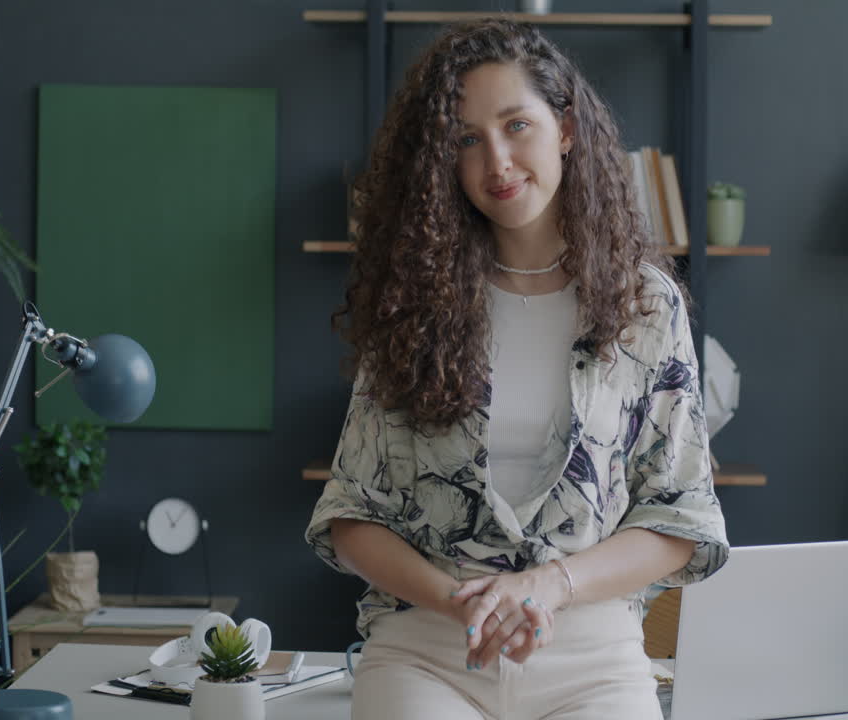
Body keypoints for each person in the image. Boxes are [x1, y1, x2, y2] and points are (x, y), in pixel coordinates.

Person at [305, 17, 728, 720]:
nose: (495, 162)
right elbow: (352, 516)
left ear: (565, 127)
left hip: (592, 658)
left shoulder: (644, 304)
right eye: (466, 140)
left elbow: (681, 518)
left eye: (516, 126)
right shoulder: (416, 301)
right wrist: (461, 600)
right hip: (428, 650)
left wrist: (549, 586)